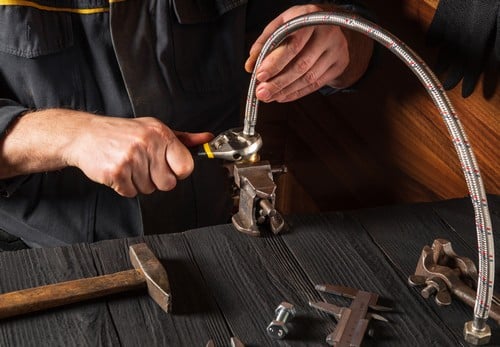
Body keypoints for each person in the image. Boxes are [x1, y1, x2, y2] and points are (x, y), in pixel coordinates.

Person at [0, 1, 373, 249]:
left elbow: (355, 43)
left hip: (216, 239)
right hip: (39, 251)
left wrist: (340, 41)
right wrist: (72, 137)